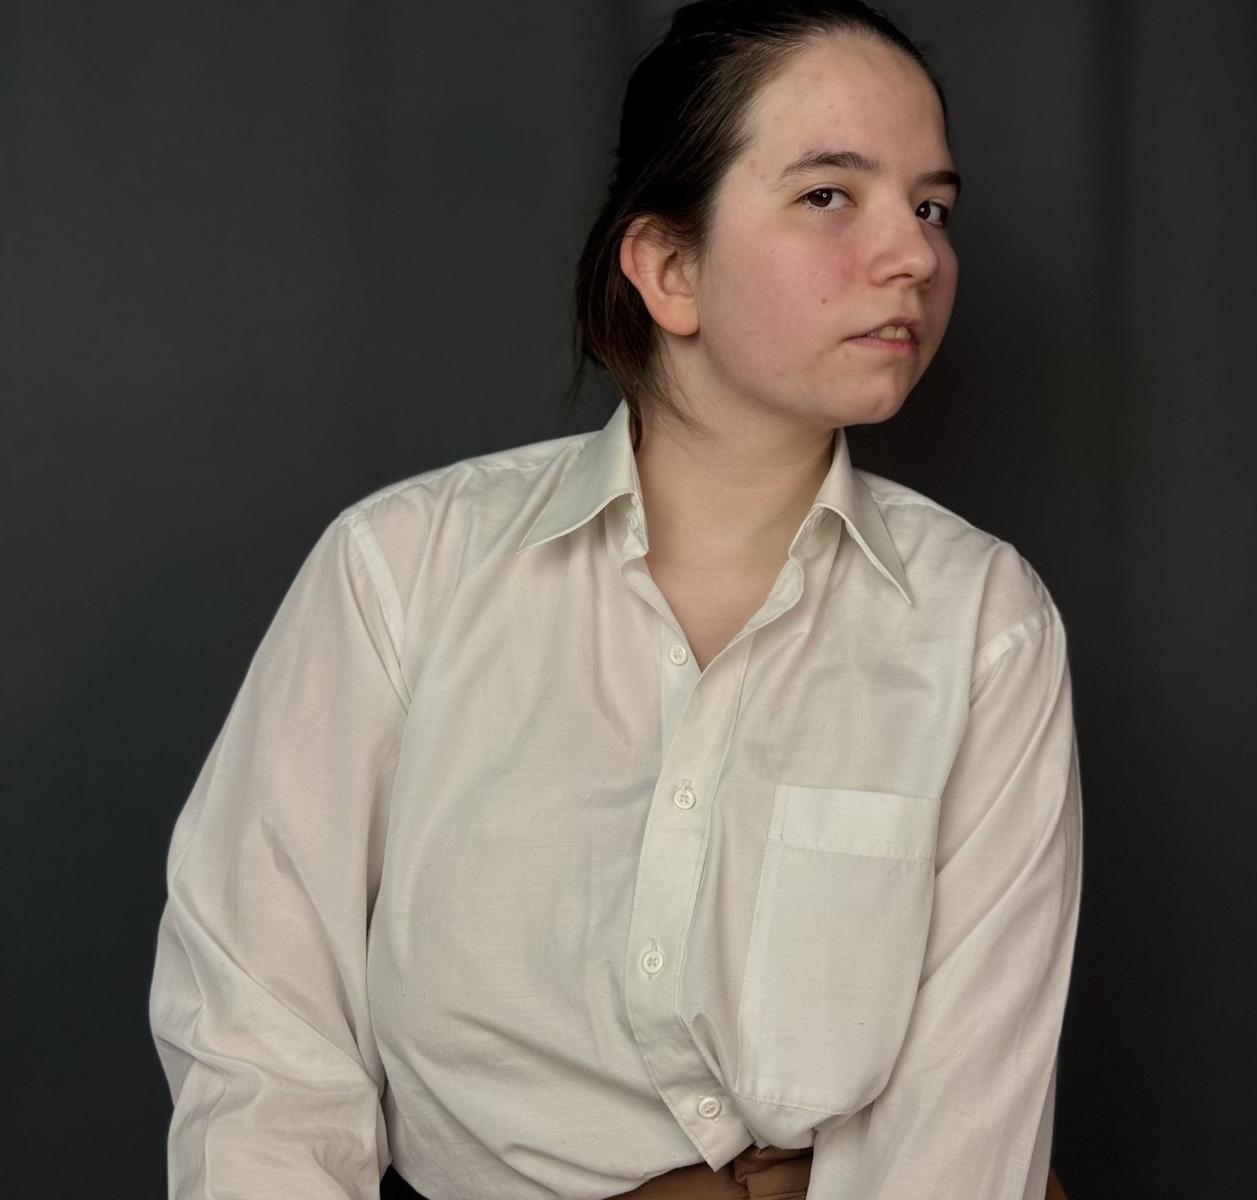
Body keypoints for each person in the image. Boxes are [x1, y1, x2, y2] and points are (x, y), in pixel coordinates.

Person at [147, 2, 1083, 1197]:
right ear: (669, 268)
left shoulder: (984, 626)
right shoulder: (400, 570)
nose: (913, 254)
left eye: (932, 206)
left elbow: (962, 1136)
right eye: (828, 196)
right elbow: (258, 1038)